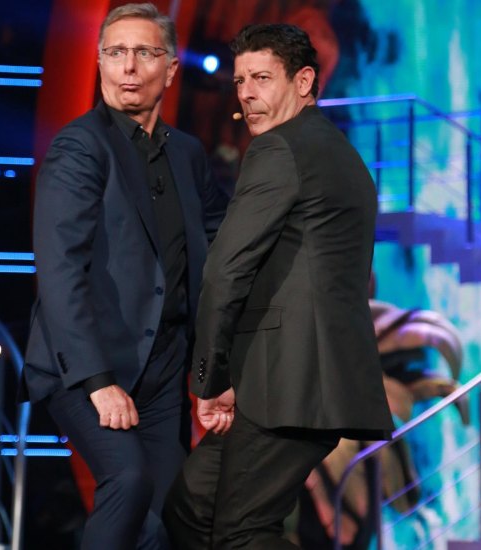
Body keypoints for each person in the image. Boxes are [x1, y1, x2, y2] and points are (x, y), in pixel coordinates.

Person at [163, 23, 395, 549]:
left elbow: (225, 270)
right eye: (240, 80)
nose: (246, 93)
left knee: (241, 533)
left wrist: (210, 379)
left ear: (304, 81)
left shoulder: (279, 149)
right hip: (301, 382)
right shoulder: (341, 154)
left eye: (262, 78)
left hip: (288, 383)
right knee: (191, 509)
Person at [19, 3, 226, 549]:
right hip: (88, 362)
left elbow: (221, 249)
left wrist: (213, 371)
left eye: (143, 52)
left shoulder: (187, 154)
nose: (128, 66)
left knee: (167, 519)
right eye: (114, 52)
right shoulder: (80, 146)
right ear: (100, 63)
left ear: (171, 68)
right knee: (129, 481)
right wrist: (97, 380)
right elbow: (58, 270)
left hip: (163, 369)